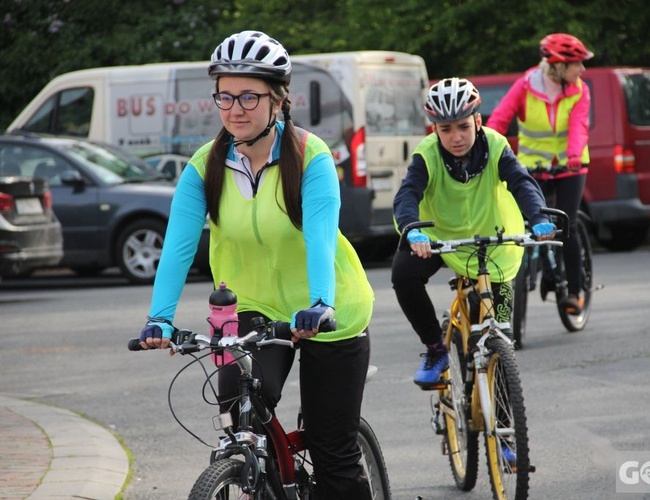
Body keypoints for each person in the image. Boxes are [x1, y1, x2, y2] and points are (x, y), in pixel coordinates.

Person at [137, 30, 375, 499]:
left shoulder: (310, 157)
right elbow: (179, 248)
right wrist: (159, 318)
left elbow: (321, 239)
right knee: (237, 422)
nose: (235, 108)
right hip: (250, 311)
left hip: (329, 312)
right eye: (225, 95)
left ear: (277, 100)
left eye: (249, 95)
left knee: (333, 451)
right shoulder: (205, 166)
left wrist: (321, 302)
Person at [392, 77, 556, 388]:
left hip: (494, 245)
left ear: (477, 121)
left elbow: (522, 183)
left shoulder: (496, 145)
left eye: (463, 127)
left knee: (500, 341)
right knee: (403, 274)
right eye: (446, 129)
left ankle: (506, 434)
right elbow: (407, 195)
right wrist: (413, 231)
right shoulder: (426, 154)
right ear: (434, 130)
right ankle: (435, 349)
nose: (456, 137)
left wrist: (538, 216)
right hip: (441, 241)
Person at [486, 32, 594, 314]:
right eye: (577, 64)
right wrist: (487, 147)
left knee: (565, 226)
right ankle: (536, 270)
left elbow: (579, 127)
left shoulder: (580, 89)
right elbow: (500, 118)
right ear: (559, 66)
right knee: (526, 225)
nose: (582, 70)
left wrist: (572, 156)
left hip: (570, 166)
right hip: (532, 166)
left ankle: (574, 291)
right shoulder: (526, 85)